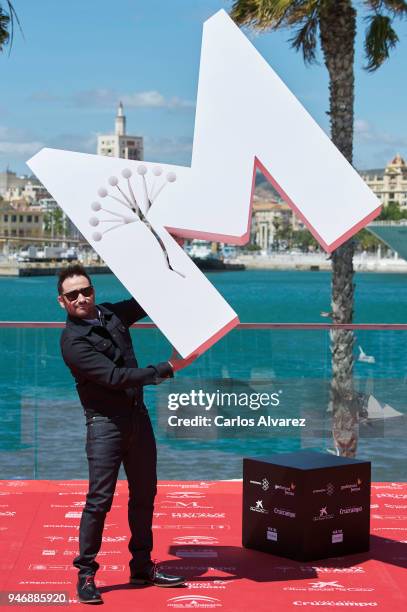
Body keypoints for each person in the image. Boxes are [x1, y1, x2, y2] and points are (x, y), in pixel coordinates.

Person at [57, 264, 187, 604]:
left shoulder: (110, 314)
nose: (82, 298)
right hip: (104, 425)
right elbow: (115, 377)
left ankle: (142, 567)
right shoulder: (72, 342)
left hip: (137, 419)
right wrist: (166, 369)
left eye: (86, 291)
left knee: (145, 495)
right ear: (62, 302)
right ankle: (86, 575)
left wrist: (169, 257)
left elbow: (146, 301)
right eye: (73, 295)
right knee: (99, 501)